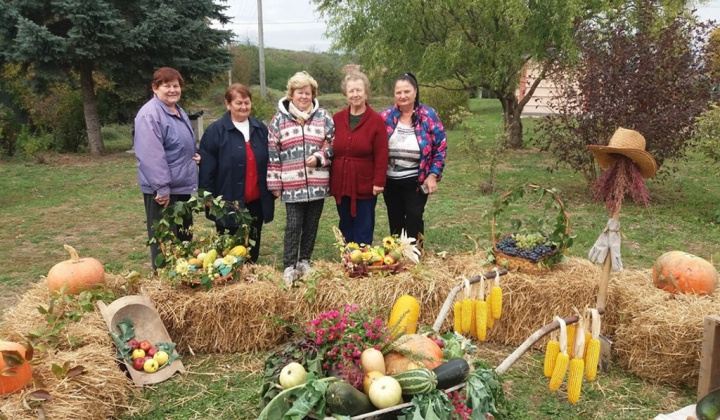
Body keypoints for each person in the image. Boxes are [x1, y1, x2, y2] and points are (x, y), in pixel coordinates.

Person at [267, 71, 334, 285]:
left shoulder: (324, 117)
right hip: (291, 183)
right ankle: (289, 265)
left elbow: (331, 144)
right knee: (293, 225)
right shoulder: (279, 120)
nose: (304, 97)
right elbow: (272, 153)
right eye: (299, 93)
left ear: (313, 94)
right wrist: (275, 183)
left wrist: (320, 157)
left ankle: (305, 260)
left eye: (307, 93)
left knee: (312, 224)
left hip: (317, 183)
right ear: (291, 94)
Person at [198, 83, 275, 263]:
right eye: (238, 103)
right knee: (229, 247)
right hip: (228, 199)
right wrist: (207, 195)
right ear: (228, 104)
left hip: (255, 199)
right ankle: (230, 279)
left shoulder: (259, 128)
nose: (243, 107)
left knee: (252, 241)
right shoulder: (215, 131)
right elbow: (207, 167)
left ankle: (250, 274)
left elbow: (270, 159)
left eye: (247, 103)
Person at [134, 67, 200, 271]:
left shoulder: (177, 110)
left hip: (182, 187)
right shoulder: (150, 114)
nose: (173, 90)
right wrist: (161, 188)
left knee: (183, 238)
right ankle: (164, 285)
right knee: (165, 241)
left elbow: (178, 144)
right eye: (167, 86)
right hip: (164, 192)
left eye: (176, 85)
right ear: (155, 88)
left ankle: (184, 282)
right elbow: (150, 154)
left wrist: (194, 154)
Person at [380, 72, 447, 249]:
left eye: (407, 91)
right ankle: (396, 256)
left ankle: (415, 254)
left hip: (416, 180)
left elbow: (440, 147)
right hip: (390, 179)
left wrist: (433, 175)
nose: (403, 96)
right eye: (398, 92)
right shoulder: (386, 116)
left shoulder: (428, 115)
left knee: (414, 216)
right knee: (394, 218)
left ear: (415, 92)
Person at [331, 71, 388, 246]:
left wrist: (379, 181)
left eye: (358, 90)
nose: (355, 94)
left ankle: (363, 264)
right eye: (351, 91)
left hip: (365, 184)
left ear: (366, 92)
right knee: (345, 223)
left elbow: (382, 154)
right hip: (341, 182)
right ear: (346, 94)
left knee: (364, 224)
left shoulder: (376, 120)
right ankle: (348, 261)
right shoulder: (337, 119)